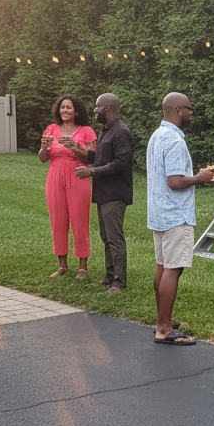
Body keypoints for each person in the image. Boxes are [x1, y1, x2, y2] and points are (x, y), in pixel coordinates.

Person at [146, 92, 214, 345]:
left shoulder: (157, 135)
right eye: (189, 109)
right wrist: (200, 177)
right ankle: (164, 329)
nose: (191, 113)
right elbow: (175, 182)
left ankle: (162, 318)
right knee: (172, 270)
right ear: (178, 110)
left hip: (158, 212)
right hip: (176, 214)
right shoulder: (175, 141)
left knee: (163, 268)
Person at [76, 93, 134, 294]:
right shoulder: (106, 131)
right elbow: (101, 158)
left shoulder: (121, 132)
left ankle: (120, 282)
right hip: (103, 192)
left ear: (108, 108)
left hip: (115, 193)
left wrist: (92, 171)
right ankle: (110, 276)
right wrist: (79, 151)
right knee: (105, 236)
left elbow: (121, 163)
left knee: (114, 238)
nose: (95, 110)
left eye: (97, 107)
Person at [40, 94, 97, 278]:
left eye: (68, 107)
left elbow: (92, 158)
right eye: (62, 107)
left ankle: (82, 266)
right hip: (55, 175)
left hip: (77, 175)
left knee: (80, 219)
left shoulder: (86, 131)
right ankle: (62, 265)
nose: (64, 110)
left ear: (76, 111)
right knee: (58, 219)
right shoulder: (51, 129)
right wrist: (43, 148)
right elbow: (43, 158)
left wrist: (75, 147)